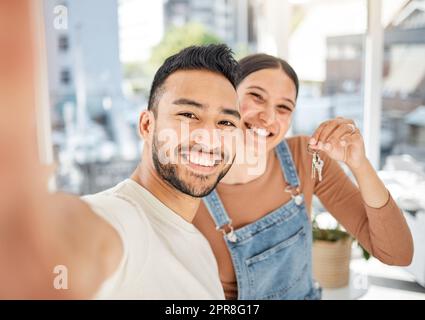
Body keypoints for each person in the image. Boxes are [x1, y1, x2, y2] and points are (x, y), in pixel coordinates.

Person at [0, 39, 241, 297]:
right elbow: (77, 241)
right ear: (147, 126)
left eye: (226, 122)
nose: (209, 137)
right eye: (189, 115)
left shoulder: (200, 247)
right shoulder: (120, 219)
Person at [193, 53, 414, 300]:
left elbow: (397, 253)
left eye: (283, 107)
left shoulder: (304, 157)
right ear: (228, 97)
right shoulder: (191, 184)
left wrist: (359, 164)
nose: (268, 117)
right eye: (256, 96)